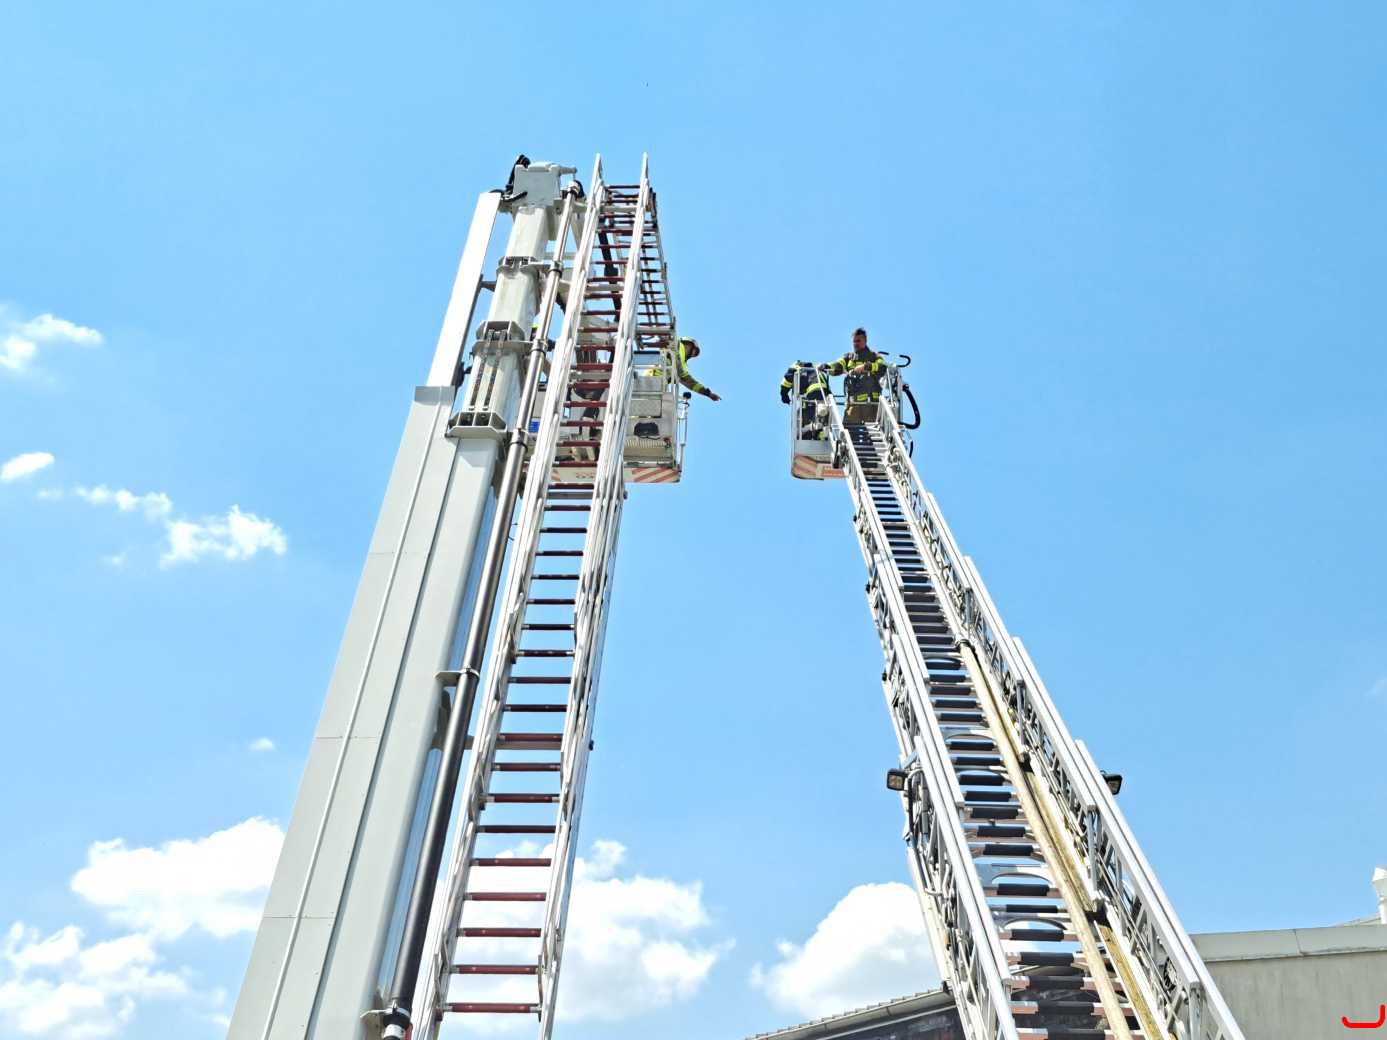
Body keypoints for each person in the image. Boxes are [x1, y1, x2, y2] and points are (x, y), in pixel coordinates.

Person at [822, 327, 885, 422]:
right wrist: (826, 366)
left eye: (858, 341)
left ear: (865, 341)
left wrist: (866, 366)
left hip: (873, 405)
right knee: (848, 429)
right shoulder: (849, 358)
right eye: (854, 341)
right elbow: (837, 366)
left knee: (874, 429)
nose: (856, 344)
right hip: (853, 405)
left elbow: (882, 367)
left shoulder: (874, 356)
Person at [779, 361, 829, 439]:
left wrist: (784, 394)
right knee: (825, 415)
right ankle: (821, 432)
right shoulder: (815, 368)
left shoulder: (797, 368)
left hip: (812, 393)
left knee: (802, 416)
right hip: (826, 394)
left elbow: (787, 379)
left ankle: (810, 430)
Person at [674, 337, 720, 401]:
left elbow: (691, 383)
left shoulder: (683, 366)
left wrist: (708, 393)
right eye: (692, 351)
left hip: (661, 382)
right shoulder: (677, 344)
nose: (691, 354)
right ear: (687, 343)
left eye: (692, 354)